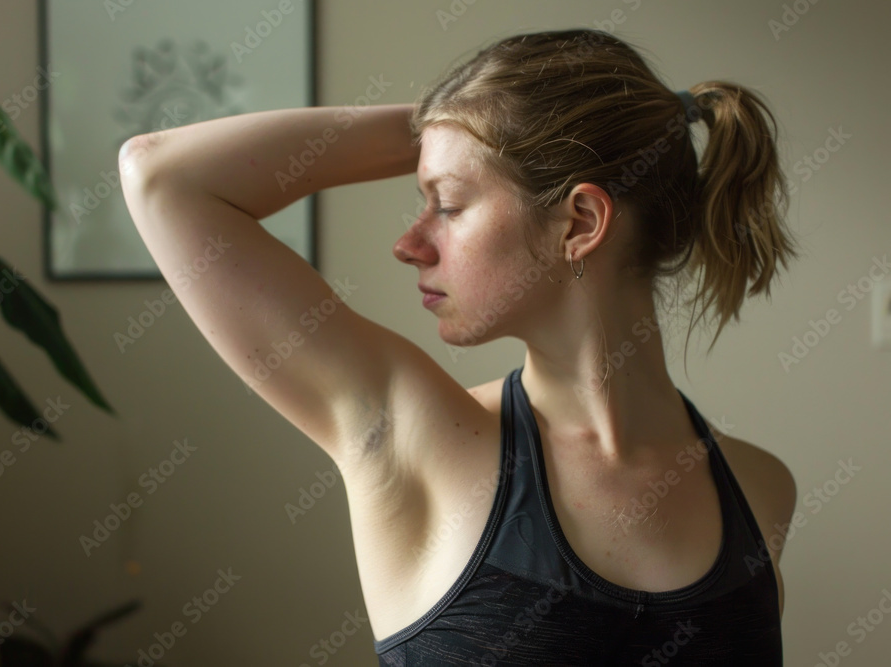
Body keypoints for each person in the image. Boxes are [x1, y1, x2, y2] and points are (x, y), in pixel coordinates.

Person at [120, 28, 800, 666]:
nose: (409, 243)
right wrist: (454, 127)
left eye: (445, 202)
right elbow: (160, 175)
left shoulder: (763, 488)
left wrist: (499, 133)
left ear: (582, 221)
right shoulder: (411, 438)